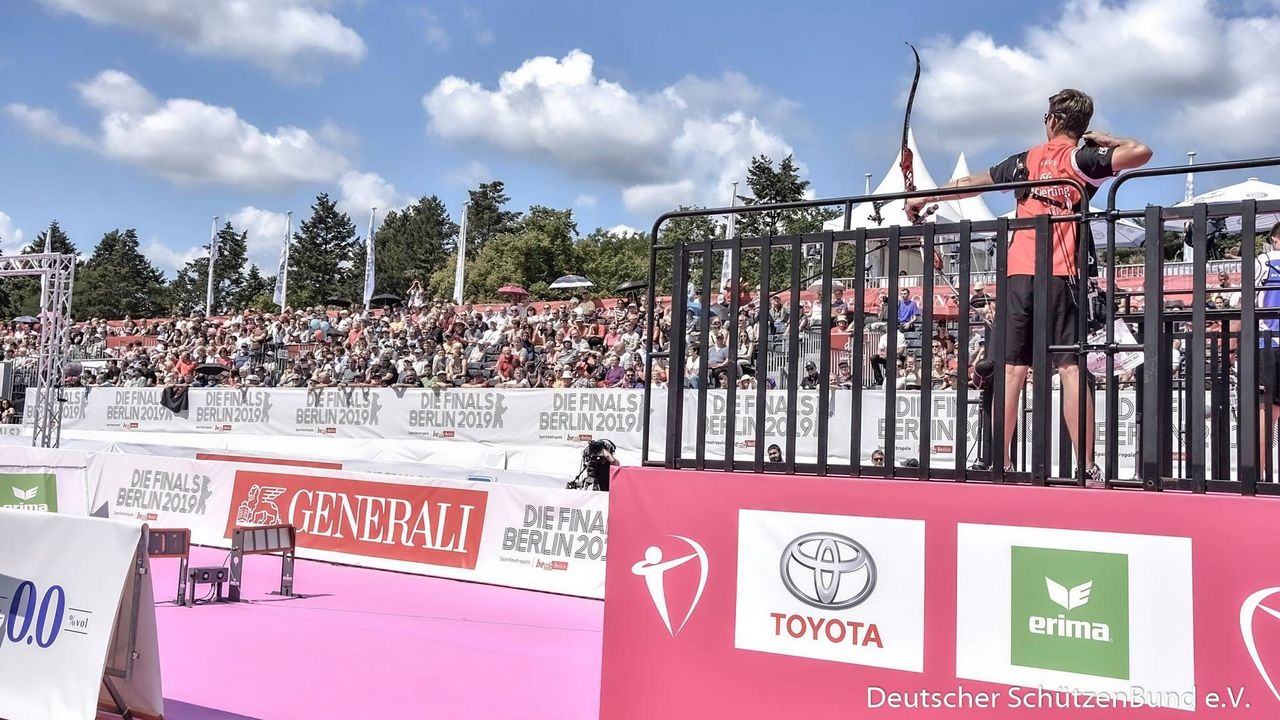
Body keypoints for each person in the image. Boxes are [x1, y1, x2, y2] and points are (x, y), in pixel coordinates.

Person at [907, 88, 1152, 480]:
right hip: (1064, 276)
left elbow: (971, 182)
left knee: (1011, 370)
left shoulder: (1024, 161)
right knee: (1072, 370)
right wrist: (1106, 140)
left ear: (1051, 120)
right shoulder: (1083, 158)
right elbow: (1141, 152)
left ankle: (1000, 463)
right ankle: (1087, 467)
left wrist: (923, 197)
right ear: (1081, 126)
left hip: (1019, 273)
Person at [1255, 223, 1280, 476]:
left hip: (1268, 342)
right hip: (1269, 341)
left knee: (1267, 412)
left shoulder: (1262, 261)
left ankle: (1259, 474)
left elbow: (1245, 299)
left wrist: (1232, 346)